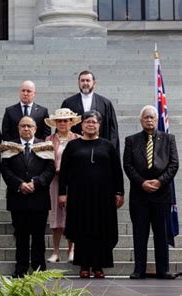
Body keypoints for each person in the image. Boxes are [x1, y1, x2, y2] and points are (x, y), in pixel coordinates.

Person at [58, 110, 124, 279]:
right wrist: (62, 193)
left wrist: (119, 192)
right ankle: (84, 265)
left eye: (94, 122)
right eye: (87, 122)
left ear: (99, 125)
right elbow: (64, 171)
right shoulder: (73, 146)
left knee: (102, 230)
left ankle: (99, 266)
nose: (90, 124)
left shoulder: (108, 146)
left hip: (103, 196)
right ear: (82, 125)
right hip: (80, 196)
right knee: (82, 229)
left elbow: (117, 171)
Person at [123, 105, 179, 280]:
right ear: (141, 120)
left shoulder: (169, 139)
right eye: (146, 117)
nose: (149, 120)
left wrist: (159, 181)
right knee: (140, 234)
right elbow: (128, 165)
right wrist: (142, 182)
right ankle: (139, 269)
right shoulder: (131, 140)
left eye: (152, 117)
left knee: (161, 234)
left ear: (157, 120)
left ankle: (163, 269)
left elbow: (174, 164)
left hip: (162, 194)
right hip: (140, 194)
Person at [1, 116, 55, 277]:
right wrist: (19, 184)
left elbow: (50, 169)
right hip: (18, 199)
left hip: (39, 198)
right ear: (18, 128)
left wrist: (36, 183)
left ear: (35, 128)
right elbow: (5, 169)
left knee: (38, 237)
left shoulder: (44, 145)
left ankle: (39, 269)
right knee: (21, 237)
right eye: (23, 126)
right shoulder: (9, 146)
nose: (26, 129)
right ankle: (21, 269)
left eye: (29, 126)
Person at [44, 108, 81, 263]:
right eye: (59, 121)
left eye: (65, 120)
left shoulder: (78, 139)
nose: (62, 123)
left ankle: (72, 250)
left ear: (71, 122)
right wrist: (56, 169)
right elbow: (45, 159)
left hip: (73, 182)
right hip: (54, 181)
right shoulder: (49, 139)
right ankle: (56, 252)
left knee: (71, 216)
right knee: (56, 217)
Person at [61, 70, 120, 152]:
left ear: (94, 83)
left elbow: (112, 130)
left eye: (88, 80)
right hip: (76, 150)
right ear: (78, 83)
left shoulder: (105, 103)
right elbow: (61, 126)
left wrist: (110, 150)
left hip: (100, 149)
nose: (85, 83)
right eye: (82, 80)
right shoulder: (68, 103)